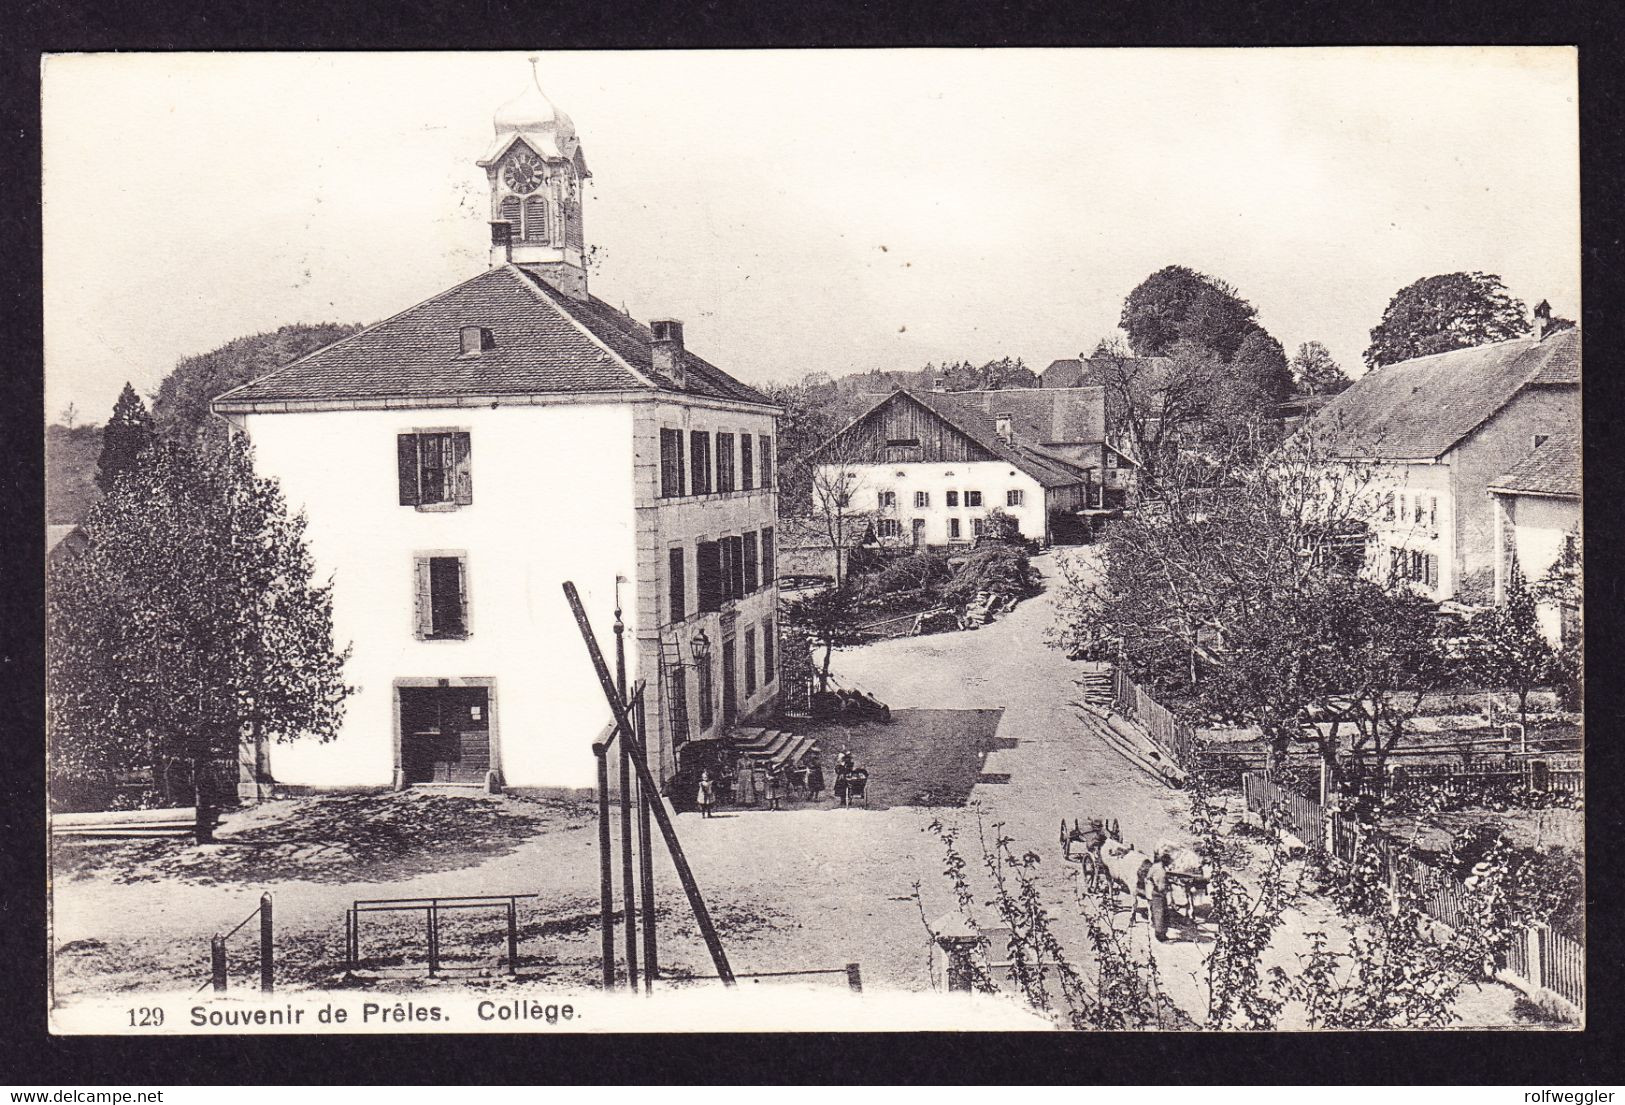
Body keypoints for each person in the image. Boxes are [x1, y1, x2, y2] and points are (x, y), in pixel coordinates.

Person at [1145, 849, 1172, 941]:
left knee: (1165, 914)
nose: (1169, 864)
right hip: (1157, 893)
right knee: (1158, 914)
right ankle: (1159, 935)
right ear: (1164, 861)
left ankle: (1163, 934)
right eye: (1168, 862)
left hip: (1163, 893)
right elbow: (1148, 878)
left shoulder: (1163, 868)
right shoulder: (1156, 867)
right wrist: (1154, 885)